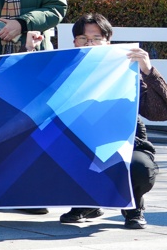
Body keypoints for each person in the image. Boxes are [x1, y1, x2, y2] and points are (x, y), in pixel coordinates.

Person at [59, 14, 157, 229]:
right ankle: (86, 203)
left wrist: (147, 70)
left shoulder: (125, 70)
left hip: (126, 143)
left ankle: (134, 208)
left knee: (140, 167)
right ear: (74, 41)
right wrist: (31, 49)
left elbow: (159, 112)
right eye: (83, 38)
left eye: (96, 37)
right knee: (46, 153)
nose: (90, 43)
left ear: (107, 41)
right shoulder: (65, 68)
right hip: (79, 141)